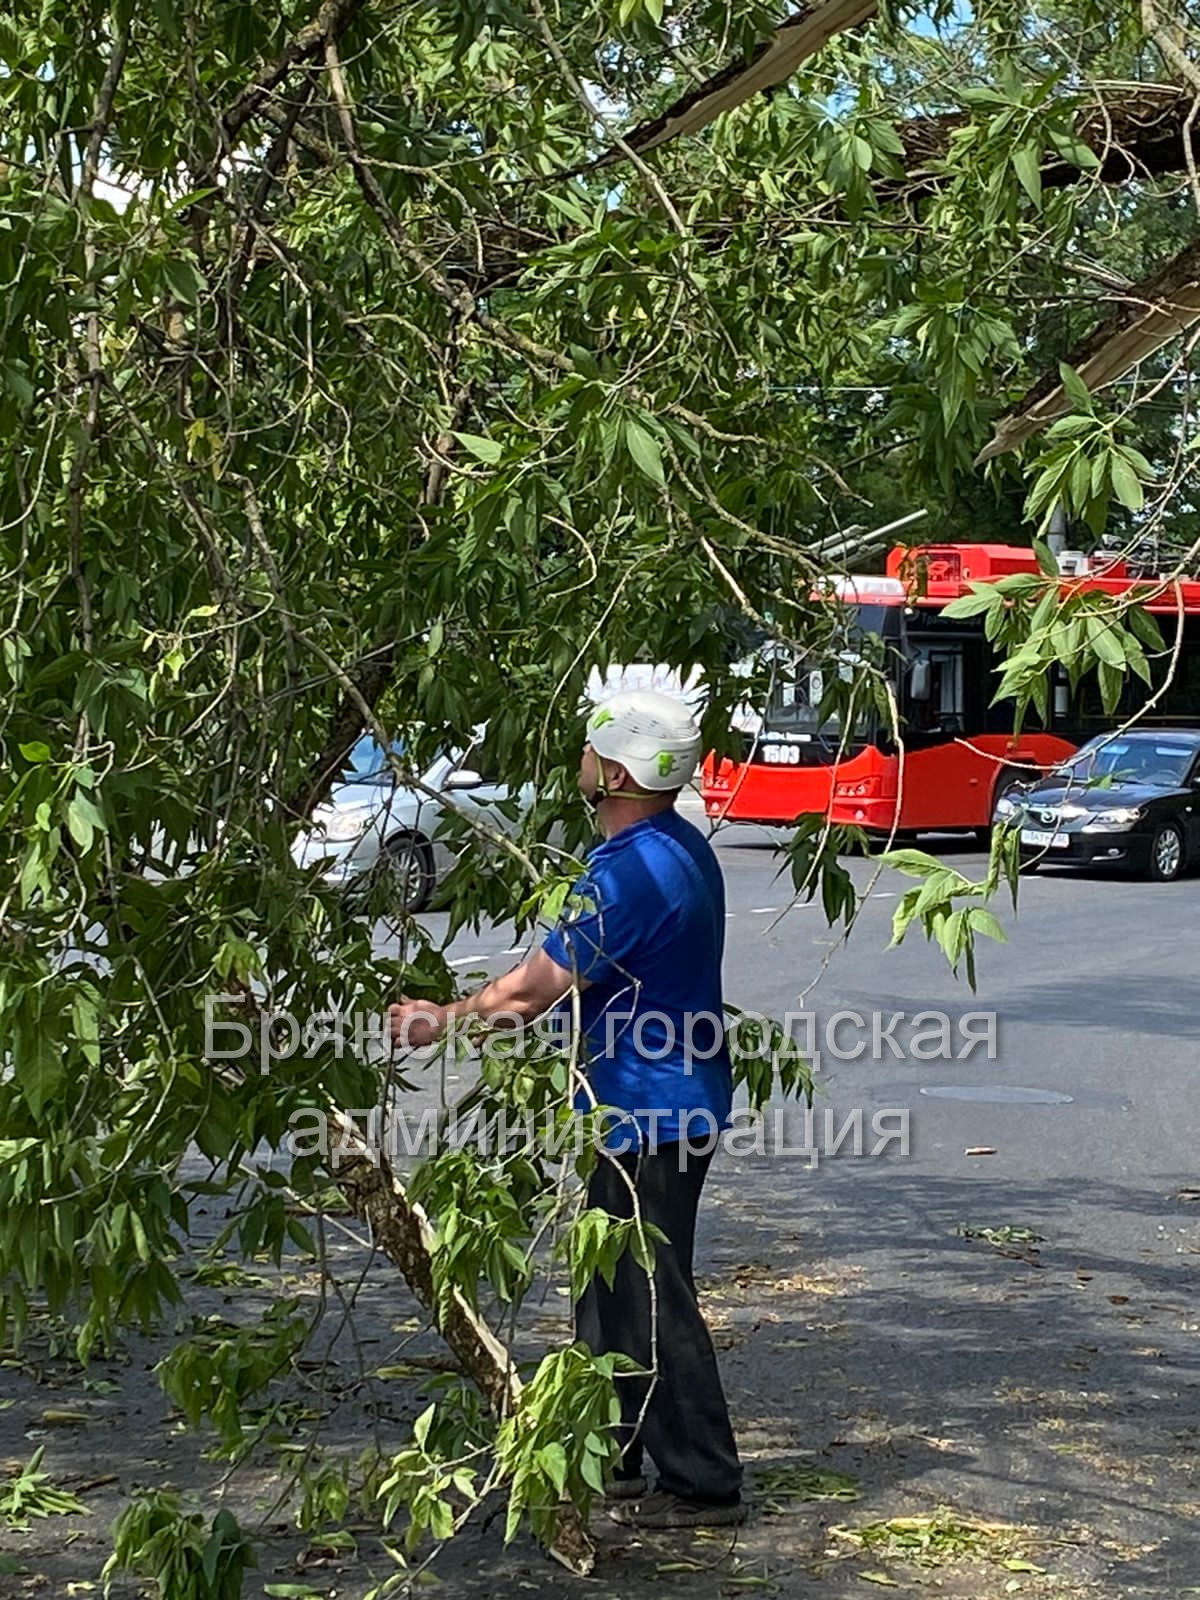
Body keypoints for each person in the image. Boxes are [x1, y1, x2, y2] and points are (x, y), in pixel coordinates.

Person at [388, 690, 744, 1530]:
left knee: (650, 1291)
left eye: (590, 748)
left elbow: (531, 992)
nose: (578, 758)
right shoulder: (677, 844)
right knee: (608, 1282)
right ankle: (606, 1451)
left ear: (615, 771)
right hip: (656, 1100)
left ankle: (703, 1479)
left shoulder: (629, 871)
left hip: (650, 1108)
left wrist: (440, 1019)